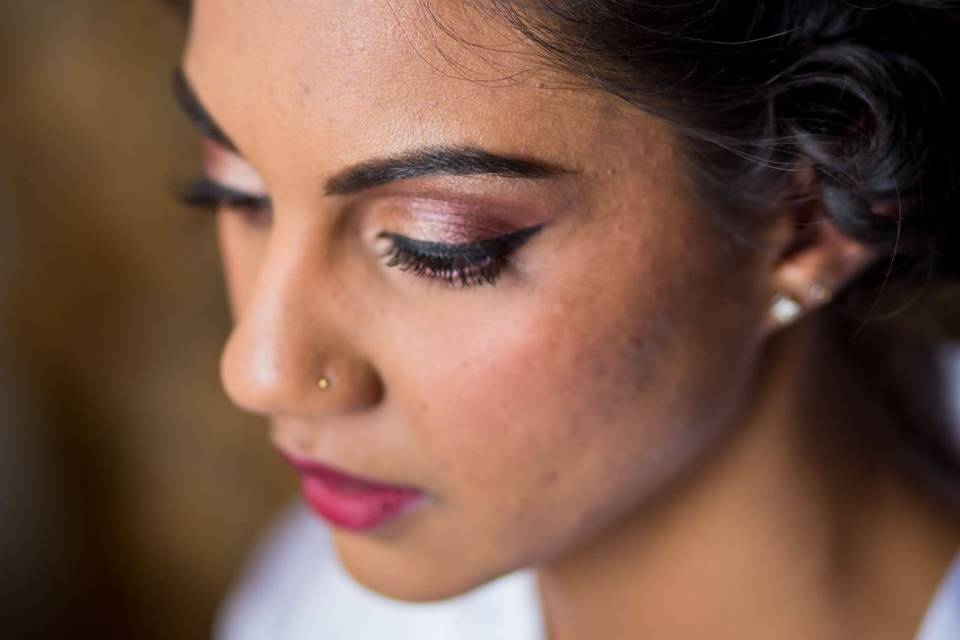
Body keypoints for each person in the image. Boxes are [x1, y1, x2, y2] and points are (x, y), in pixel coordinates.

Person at [173, 1, 960, 638]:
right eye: (237, 193)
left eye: (439, 248)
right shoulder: (320, 608)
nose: (258, 371)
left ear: (810, 213)